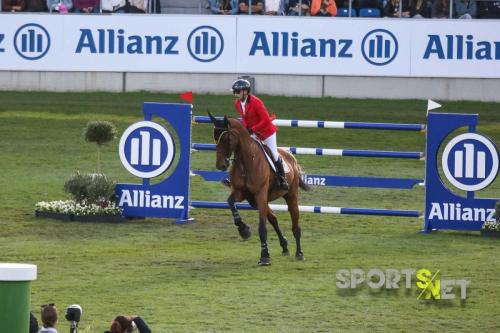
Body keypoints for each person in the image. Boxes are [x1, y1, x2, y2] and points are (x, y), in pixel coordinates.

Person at [226, 78, 289, 191]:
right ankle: (232, 177)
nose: (235, 94)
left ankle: (282, 178)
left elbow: (265, 120)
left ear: (245, 91)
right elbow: (245, 119)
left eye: (237, 92)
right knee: (242, 150)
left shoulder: (256, 102)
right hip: (253, 132)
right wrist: (245, 130)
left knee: (274, 155)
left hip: (267, 132)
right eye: (234, 92)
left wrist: (252, 130)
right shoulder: (237, 104)